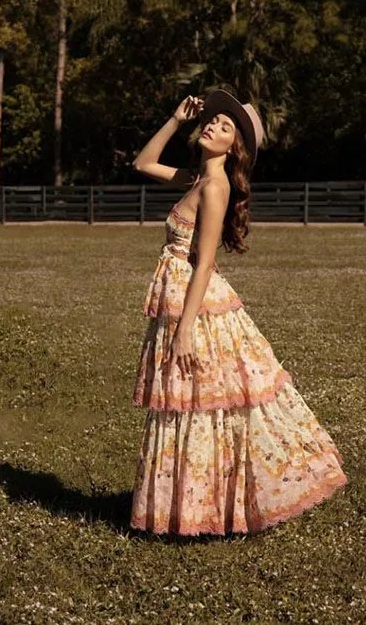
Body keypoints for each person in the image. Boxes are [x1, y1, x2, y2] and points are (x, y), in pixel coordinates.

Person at [130, 89, 347, 536]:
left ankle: (220, 503)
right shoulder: (195, 177)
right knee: (192, 405)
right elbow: (142, 164)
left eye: (225, 127)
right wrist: (175, 119)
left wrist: (185, 331)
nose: (212, 126)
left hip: (197, 307)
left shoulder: (215, 187)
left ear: (235, 148)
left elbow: (204, 263)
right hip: (182, 299)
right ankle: (194, 505)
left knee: (207, 403)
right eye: (212, 121)